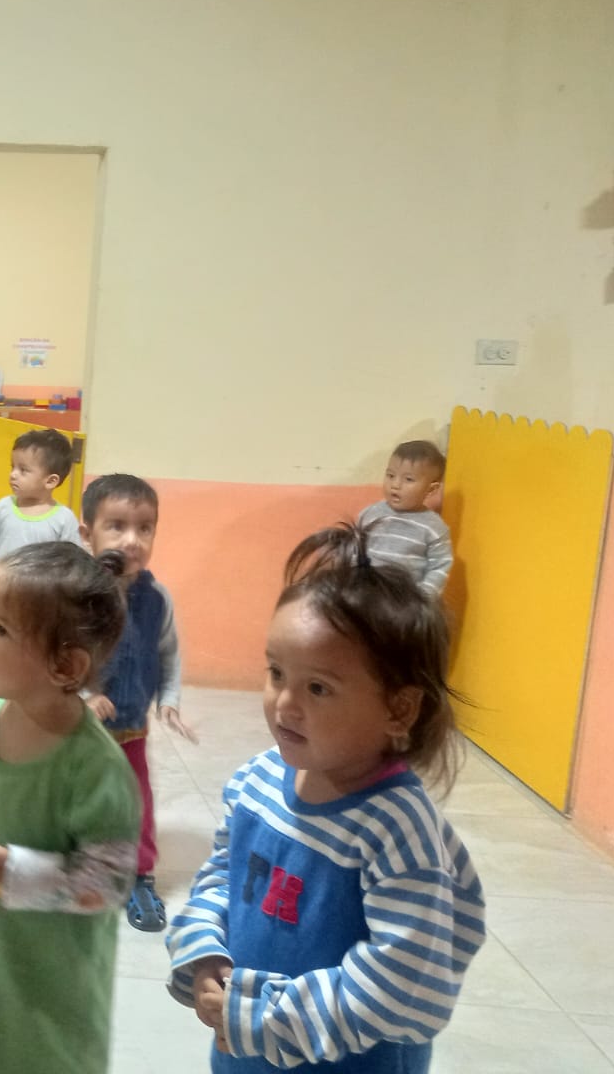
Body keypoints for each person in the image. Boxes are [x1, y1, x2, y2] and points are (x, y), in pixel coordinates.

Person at [166, 522, 486, 1072]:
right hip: (246, 1052)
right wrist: (204, 952)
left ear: (399, 709)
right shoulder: (257, 780)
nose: (284, 704)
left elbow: (406, 987)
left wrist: (264, 1017)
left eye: (318, 687)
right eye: (276, 673)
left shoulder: (396, 828)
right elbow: (222, 878)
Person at [0, 542, 140, 1074]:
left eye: (0, 630)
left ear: (66, 665)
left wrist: (9, 870)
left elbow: (108, 882)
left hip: (38, 1005)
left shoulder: (96, 770)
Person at [78, 473, 198, 933]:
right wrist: (85, 696)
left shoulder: (157, 597)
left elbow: (168, 652)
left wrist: (169, 699)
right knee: (78, 800)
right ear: (87, 533)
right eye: (117, 526)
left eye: (144, 528)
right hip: (78, 732)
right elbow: (57, 654)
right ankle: (77, 866)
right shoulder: (75, 595)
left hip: (132, 729)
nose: (132, 540)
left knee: (137, 804)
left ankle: (140, 875)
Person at [0, 428, 80, 607]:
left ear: (50, 481)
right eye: (13, 467)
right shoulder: (3, 507)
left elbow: (71, 563)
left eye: (23, 470)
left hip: (40, 601)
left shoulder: (64, 519)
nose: (13, 474)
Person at [356, 439, 452, 597]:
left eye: (408, 479)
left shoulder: (434, 527)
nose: (395, 484)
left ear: (431, 489)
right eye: (390, 475)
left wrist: (422, 598)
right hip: (367, 594)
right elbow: (354, 549)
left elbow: (440, 566)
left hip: (406, 601)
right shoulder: (369, 514)